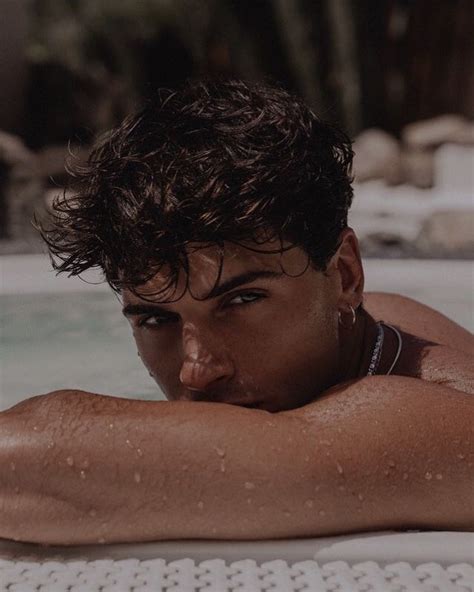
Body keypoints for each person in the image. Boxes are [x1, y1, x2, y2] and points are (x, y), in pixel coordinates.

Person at [1, 79, 473, 546]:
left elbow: (23, 467)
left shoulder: (427, 422)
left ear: (345, 275)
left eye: (241, 301)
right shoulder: (362, 321)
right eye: (155, 319)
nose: (196, 371)